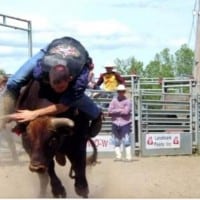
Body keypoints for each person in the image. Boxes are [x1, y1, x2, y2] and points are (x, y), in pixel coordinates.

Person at [3, 36, 102, 138]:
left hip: (79, 56)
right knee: (13, 82)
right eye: (55, 86)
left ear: (70, 79)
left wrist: (34, 114)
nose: (57, 91)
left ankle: (97, 116)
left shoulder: (79, 80)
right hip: (51, 50)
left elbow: (64, 106)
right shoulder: (40, 71)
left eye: (62, 87)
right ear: (48, 79)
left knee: (82, 103)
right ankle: (3, 112)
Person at [108, 84, 133, 162]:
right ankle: (118, 156)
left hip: (125, 123)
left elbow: (126, 112)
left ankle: (128, 157)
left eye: (122, 91)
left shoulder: (128, 101)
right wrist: (120, 110)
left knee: (126, 140)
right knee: (116, 140)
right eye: (119, 91)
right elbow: (109, 111)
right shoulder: (114, 100)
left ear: (124, 92)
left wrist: (115, 111)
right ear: (117, 92)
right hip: (115, 122)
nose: (120, 93)